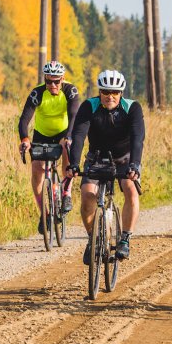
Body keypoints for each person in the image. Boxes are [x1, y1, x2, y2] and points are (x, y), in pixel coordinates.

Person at [65, 70, 145, 264]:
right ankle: (92, 240)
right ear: (99, 92)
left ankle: (125, 239)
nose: (110, 96)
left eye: (115, 92)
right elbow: (78, 135)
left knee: (130, 190)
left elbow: (138, 138)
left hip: (125, 158)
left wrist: (135, 164)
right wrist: (74, 163)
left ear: (121, 93)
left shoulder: (132, 107)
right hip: (97, 157)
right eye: (106, 92)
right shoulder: (89, 106)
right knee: (87, 195)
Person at [18, 61, 80, 231]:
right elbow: (24, 119)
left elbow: (74, 115)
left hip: (63, 133)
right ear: (45, 79)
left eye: (56, 81)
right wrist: (25, 139)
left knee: (67, 149)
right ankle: (44, 213)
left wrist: (69, 136)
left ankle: (66, 193)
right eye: (49, 81)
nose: (52, 85)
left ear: (63, 79)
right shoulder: (37, 93)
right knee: (37, 171)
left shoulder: (70, 91)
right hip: (42, 134)